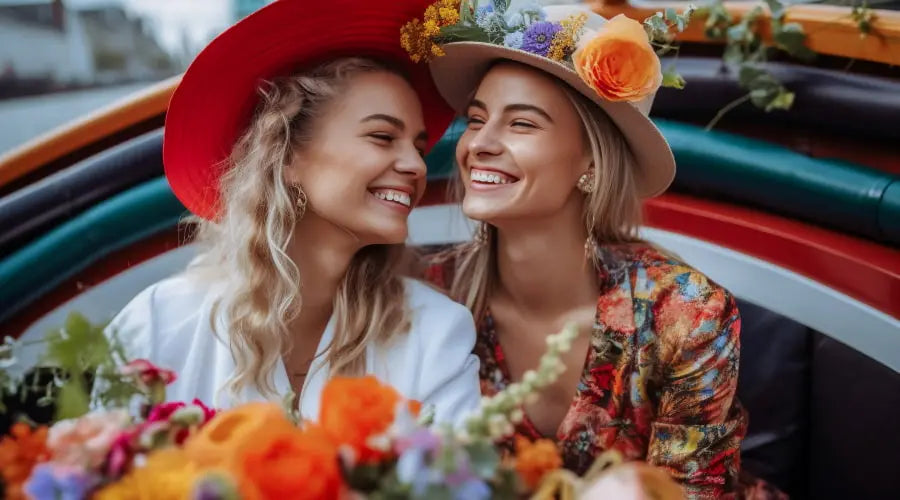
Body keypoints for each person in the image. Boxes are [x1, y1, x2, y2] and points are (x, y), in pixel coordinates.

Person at [408, 3, 782, 498]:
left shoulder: (688, 313)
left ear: (591, 161)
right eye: (476, 120)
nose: (479, 143)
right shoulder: (426, 295)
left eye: (521, 124)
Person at [104, 0, 480, 426]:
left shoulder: (434, 332)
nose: (416, 165)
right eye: (382, 136)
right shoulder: (156, 326)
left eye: (417, 145)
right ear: (288, 155)